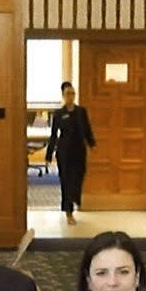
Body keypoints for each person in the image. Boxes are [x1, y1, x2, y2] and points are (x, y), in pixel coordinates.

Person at [46, 81, 96, 224]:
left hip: (79, 150)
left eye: (73, 94)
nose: (71, 96)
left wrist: (92, 144)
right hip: (64, 152)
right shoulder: (58, 114)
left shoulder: (81, 112)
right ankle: (69, 212)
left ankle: (75, 199)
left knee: (78, 179)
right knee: (66, 182)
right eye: (68, 94)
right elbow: (54, 135)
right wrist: (49, 155)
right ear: (63, 95)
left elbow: (87, 130)